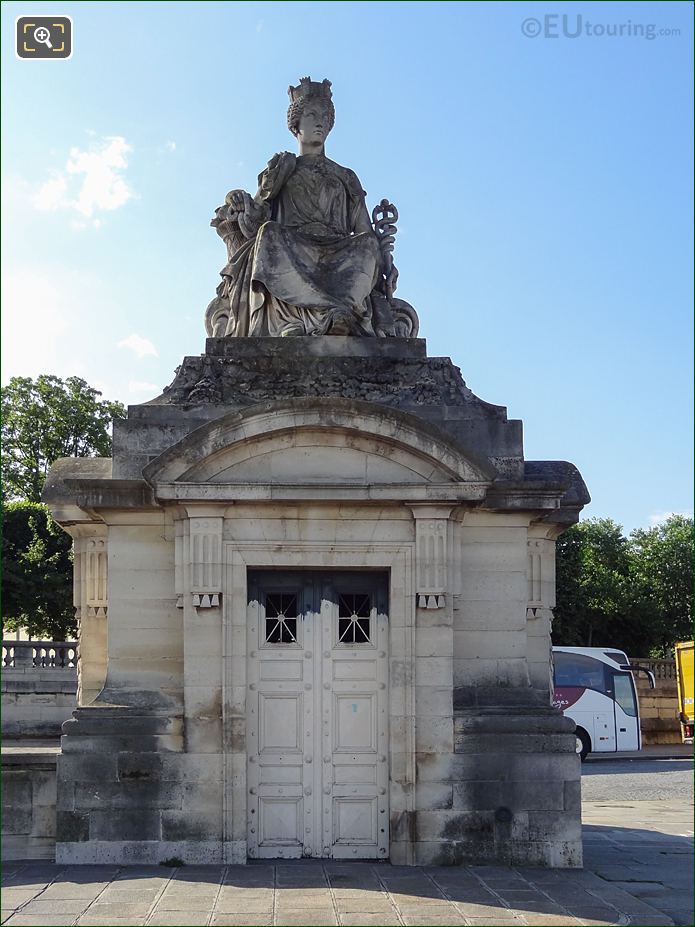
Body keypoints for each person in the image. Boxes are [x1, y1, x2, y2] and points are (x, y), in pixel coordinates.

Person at [208, 77, 405, 338]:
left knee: (366, 245)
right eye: (312, 115)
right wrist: (249, 196)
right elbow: (255, 222)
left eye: (325, 115)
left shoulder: (345, 176)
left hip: (338, 248)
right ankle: (298, 319)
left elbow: (363, 230)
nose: (320, 121)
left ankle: (341, 313)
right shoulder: (282, 168)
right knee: (269, 233)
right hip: (294, 246)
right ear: (296, 126)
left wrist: (385, 257)